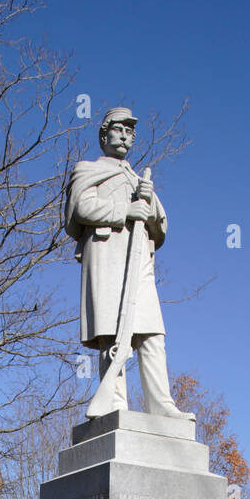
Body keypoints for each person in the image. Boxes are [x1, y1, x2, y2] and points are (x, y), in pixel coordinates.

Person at [65, 106, 192, 419]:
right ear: (104, 135)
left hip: (138, 262)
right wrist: (125, 210)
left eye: (129, 132)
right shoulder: (87, 169)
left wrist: (147, 208)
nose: (124, 136)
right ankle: (116, 404)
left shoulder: (138, 180)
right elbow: (80, 208)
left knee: (152, 333)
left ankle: (161, 405)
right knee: (112, 334)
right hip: (107, 258)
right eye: (118, 129)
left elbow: (160, 226)